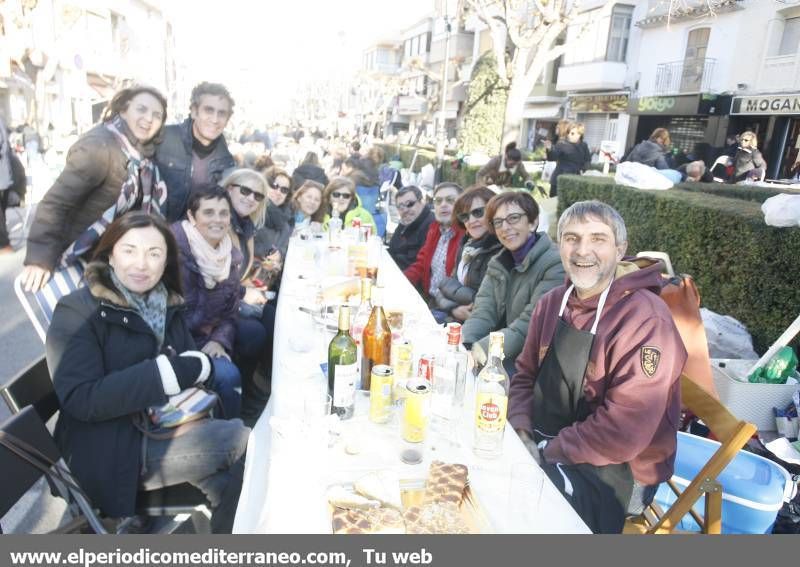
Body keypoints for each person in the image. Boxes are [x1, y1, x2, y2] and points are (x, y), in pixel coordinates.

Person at [46, 211, 248, 531]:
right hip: (110, 448)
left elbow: (186, 363)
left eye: (154, 253)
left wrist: (187, 368)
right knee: (244, 442)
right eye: (129, 250)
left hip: (164, 423)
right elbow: (80, 397)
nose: (141, 264)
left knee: (233, 481)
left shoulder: (165, 301)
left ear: (166, 261)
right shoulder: (78, 310)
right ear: (110, 255)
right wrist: (167, 373)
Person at [508, 200, 687, 533]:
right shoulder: (551, 303)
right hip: (547, 437)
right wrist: (520, 429)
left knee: (516, 506)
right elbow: (524, 376)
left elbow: (623, 433)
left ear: (620, 249)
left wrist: (547, 451)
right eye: (572, 238)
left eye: (598, 239)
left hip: (620, 470)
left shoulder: (646, 321)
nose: (582, 250)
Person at [21, 85, 168, 292]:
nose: (149, 118)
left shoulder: (143, 157)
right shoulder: (99, 146)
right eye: (141, 109)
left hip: (106, 257)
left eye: (157, 115)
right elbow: (56, 202)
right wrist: (39, 257)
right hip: (76, 255)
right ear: (124, 110)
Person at [462, 191, 564, 373]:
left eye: (514, 218)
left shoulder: (555, 264)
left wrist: (479, 351)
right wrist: (465, 346)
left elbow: (528, 326)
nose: (505, 227)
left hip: (531, 363)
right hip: (499, 353)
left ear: (532, 222)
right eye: (498, 222)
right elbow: (483, 312)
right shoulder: (499, 262)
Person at [172, 186, 244, 419]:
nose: (218, 219)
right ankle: (230, 438)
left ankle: (240, 405)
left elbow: (231, 312)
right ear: (192, 217)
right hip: (175, 343)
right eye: (209, 212)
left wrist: (219, 340)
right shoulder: (171, 250)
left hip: (206, 336)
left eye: (223, 213)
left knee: (256, 335)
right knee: (229, 376)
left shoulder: (230, 256)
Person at [221, 169, 275, 423]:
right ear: (229, 188)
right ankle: (242, 396)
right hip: (215, 303)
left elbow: (238, 272)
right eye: (245, 190)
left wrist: (253, 286)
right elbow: (213, 278)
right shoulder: (218, 222)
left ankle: (257, 388)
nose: (251, 198)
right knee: (254, 333)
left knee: (274, 316)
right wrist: (244, 293)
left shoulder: (246, 227)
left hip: (233, 295)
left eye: (258, 195)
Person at [156, 82, 236, 222]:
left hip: (196, 239)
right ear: (194, 111)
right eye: (209, 110)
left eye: (222, 113)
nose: (215, 119)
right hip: (156, 233)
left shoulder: (227, 163)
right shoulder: (163, 138)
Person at [434, 186, 502, 323]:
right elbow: (441, 289)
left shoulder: (501, 251)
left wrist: (451, 295)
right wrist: (453, 309)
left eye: (478, 212)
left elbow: (483, 303)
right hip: (456, 320)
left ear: (494, 213)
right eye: (465, 216)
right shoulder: (466, 246)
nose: (471, 221)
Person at [403, 182, 465, 303]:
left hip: (450, 306)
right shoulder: (434, 229)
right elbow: (421, 265)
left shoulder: (466, 235)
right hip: (429, 299)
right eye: (438, 201)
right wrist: (400, 281)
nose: (443, 205)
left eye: (450, 200)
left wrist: (453, 309)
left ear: (462, 205)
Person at [387, 185, 434, 271]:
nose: (405, 210)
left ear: (422, 202)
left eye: (410, 204)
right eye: (400, 207)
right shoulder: (405, 223)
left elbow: (417, 265)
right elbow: (392, 248)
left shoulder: (431, 226)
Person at [544, 122, 591, 197]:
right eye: (568, 133)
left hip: (576, 180)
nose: (569, 135)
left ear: (580, 134)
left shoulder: (584, 145)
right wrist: (549, 149)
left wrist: (585, 171)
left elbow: (587, 160)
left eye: (572, 133)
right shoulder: (562, 144)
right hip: (559, 180)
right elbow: (552, 157)